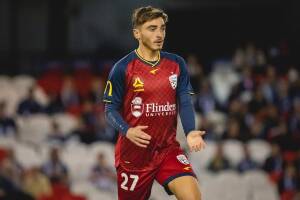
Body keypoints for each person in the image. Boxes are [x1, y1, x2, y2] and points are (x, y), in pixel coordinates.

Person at [103, 6, 206, 200]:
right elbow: (109, 109)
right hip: (134, 157)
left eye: (162, 28)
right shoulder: (122, 68)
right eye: (152, 28)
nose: (159, 34)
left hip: (167, 150)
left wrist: (191, 131)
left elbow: (184, 101)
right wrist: (127, 130)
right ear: (137, 33)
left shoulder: (176, 64)